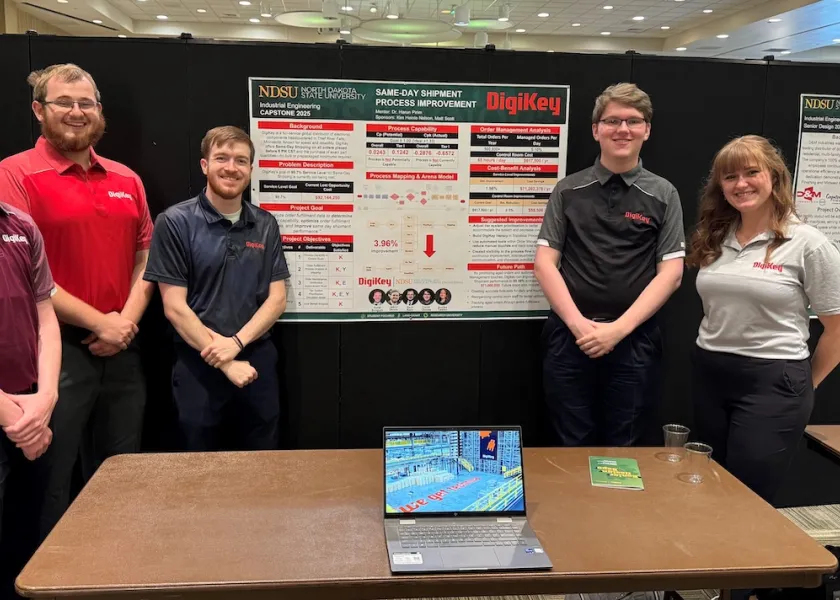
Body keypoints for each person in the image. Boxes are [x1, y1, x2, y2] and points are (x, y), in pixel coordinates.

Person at [0, 63, 154, 540]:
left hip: (122, 351)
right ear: (38, 110)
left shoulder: (126, 178)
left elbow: (145, 256)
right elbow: (25, 272)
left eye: (85, 102)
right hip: (53, 354)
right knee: (49, 482)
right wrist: (101, 323)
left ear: (99, 112)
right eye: (63, 102)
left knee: (122, 474)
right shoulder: (14, 174)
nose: (75, 111)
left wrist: (123, 324)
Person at [687, 135, 840, 506]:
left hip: (773, 382)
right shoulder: (716, 237)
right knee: (707, 486)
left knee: (747, 499)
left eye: (751, 172)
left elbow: (837, 329)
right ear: (720, 187)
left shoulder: (807, 243)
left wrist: (802, 387)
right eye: (730, 177)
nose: (741, 184)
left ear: (774, 176)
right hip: (711, 375)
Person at [534, 82, 685, 447]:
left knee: (626, 443)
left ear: (647, 130)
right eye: (612, 120)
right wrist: (579, 327)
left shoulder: (664, 193)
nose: (622, 130)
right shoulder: (568, 190)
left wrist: (618, 330)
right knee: (571, 441)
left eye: (633, 121)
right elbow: (544, 263)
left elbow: (672, 274)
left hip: (634, 340)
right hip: (570, 338)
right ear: (595, 129)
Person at [144, 126, 290, 451]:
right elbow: (174, 307)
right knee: (198, 465)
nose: (231, 167)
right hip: (199, 362)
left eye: (241, 160)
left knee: (263, 463)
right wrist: (224, 361)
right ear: (204, 165)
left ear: (250, 170)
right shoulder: (174, 222)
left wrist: (236, 344)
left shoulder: (265, 224)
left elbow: (277, 299)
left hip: (255, 359)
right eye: (221, 157)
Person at [0, 201, 61, 546]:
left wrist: (47, 399)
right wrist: (20, 422)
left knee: (25, 538)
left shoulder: (21, 224)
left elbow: (46, 318)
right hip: (21, 421)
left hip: (31, 409)